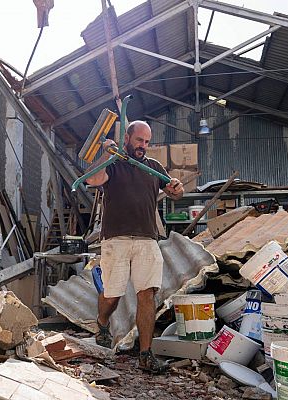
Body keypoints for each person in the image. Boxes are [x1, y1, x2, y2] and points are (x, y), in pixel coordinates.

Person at [85, 120, 184, 373]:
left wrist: (177, 188)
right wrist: (104, 153)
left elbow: (174, 192)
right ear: (127, 139)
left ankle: (145, 354)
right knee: (112, 295)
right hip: (115, 239)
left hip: (147, 239)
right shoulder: (114, 165)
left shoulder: (153, 167)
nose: (143, 146)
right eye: (139, 140)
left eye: (147, 142)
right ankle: (103, 321)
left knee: (147, 294)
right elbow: (93, 180)